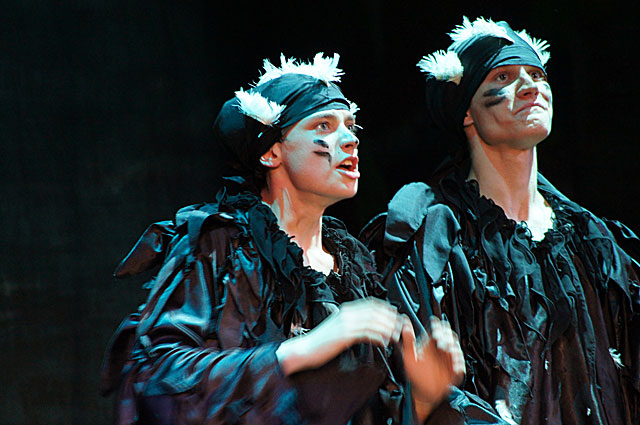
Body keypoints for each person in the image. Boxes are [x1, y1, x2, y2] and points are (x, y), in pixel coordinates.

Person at [100, 52, 468, 425]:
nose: (350, 139)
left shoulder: (354, 266)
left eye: (350, 126)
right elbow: (159, 378)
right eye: (324, 125)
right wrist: (304, 349)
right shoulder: (222, 245)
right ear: (271, 152)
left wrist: (423, 397)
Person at [360, 17, 640, 425]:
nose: (531, 87)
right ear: (466, 112)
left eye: (537, 74)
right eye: (504, 77)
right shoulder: (436, 240)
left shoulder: (595, 243)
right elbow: (409, 389)